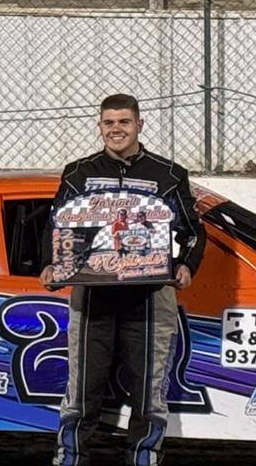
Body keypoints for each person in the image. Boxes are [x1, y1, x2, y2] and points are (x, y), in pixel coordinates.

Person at [39, 93, 205, 466]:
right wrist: (51, 265)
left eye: (124, 122)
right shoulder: (78, 173)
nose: (116, 129)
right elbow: (55, 225)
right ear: (100, 127)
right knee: (82, 390)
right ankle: (70, 459)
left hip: (150, 297)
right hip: (92, 296)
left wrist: (187, 265)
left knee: (149, 393)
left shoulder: (169, 174)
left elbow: (194, 231)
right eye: (109, 123)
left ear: (139, 125)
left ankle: (143, 459)